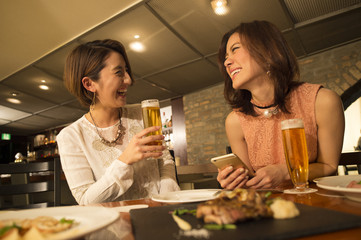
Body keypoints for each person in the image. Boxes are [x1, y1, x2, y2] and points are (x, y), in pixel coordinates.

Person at [216, 20, 345, 190]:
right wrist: (234, 181)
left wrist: (285, 172)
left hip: (316, 205)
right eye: (225, 57)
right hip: (267, 209)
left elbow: (329, 166)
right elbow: (249, 182)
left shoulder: (323, 101)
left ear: (268, 51)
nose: (227, 62)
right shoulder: (235, 121)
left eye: (235, 49)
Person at [57, 39, 179, 205]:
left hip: (158, 217)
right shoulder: (71, 136)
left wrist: (165, 199)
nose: (128, 80)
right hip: (113, 227)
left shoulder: (142, 113)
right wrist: (125, 160)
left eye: (127, 71)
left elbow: (164, 161)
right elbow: (86, 200)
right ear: (89, 84)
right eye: (119, 73)